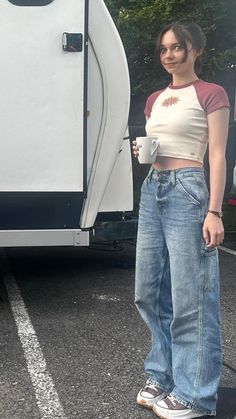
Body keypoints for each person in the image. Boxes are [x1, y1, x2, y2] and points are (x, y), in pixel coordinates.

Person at [132, 22, 230, 419]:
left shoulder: (211, 93)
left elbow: (219, 154)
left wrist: (215, 210)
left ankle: (195, 394)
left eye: (178, 48)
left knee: (192, 296)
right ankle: (164, 373)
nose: (170, 55)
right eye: (164, 49)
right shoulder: (154, 98)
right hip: (153, 188)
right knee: (149, 291)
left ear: (196, 50)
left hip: (189, 190)